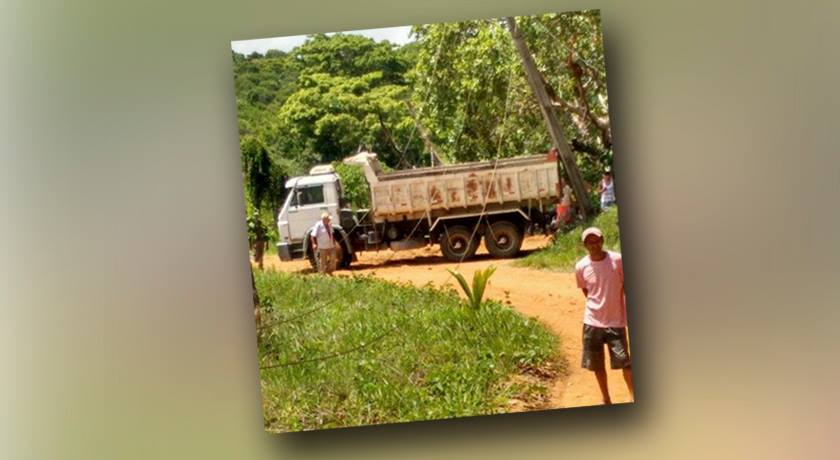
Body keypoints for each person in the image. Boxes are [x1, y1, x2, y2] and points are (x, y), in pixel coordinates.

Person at [574, 226, 633, 404]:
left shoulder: (618, 260)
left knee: (625, 362)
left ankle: (633, 396)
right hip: (592, 322)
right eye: (589, 242)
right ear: (585, 245)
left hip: (616, 321)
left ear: (602, 240)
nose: (594, 244)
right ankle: (606, 398)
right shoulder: (581, 267)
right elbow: (586, 291)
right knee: (597, 365)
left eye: (596, 240)